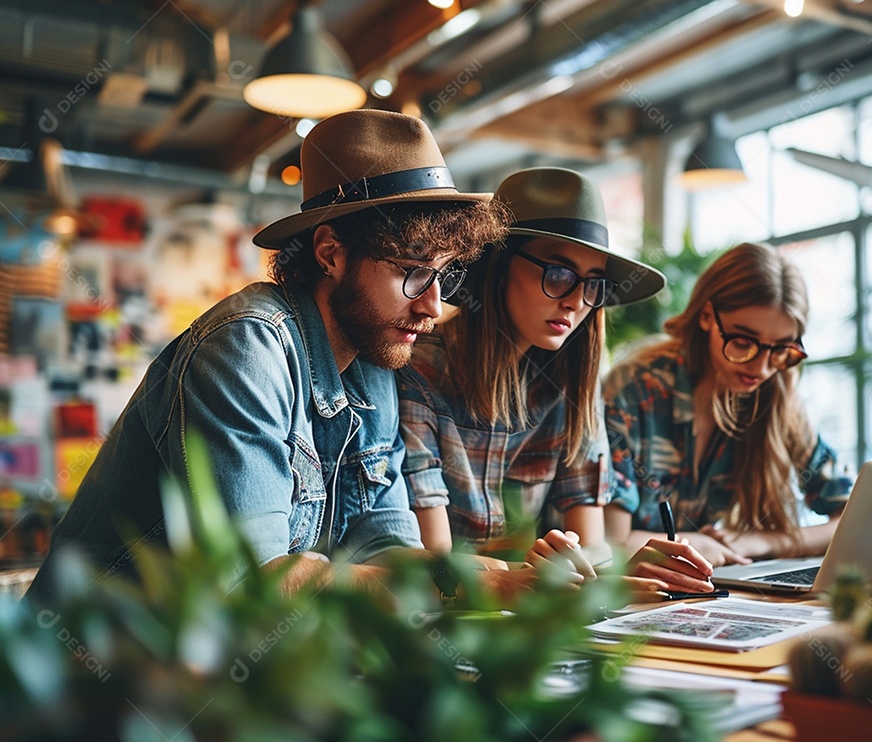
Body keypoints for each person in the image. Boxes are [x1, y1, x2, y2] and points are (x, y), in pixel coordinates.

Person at [26, 110, 519, 608]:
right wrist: (462, 587)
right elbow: (254, 581)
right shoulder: (245, 347)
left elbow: (379, 545)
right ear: (330, 253)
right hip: (89, 669)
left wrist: (488, 573)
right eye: (412, 273)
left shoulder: (374, 358)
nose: (433, 305)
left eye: (443, 276)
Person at [397, 167, 716, 597]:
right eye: (559, 274)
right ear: (498, 266)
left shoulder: (573, 385)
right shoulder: (417, 372)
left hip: (534, 623)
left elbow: (590, 544)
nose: (575, 300)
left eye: (593, 284)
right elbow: (435, 561)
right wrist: (552, 578)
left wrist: (620, 573)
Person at [603, 242, 851, 566]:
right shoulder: (636, 389)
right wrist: (696, 544)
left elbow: (852, 518)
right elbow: (609, 542)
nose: (761, 368)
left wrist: (762, 541)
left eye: (780, 350)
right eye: (743, 342)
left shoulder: (776, 394)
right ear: (707, 316)